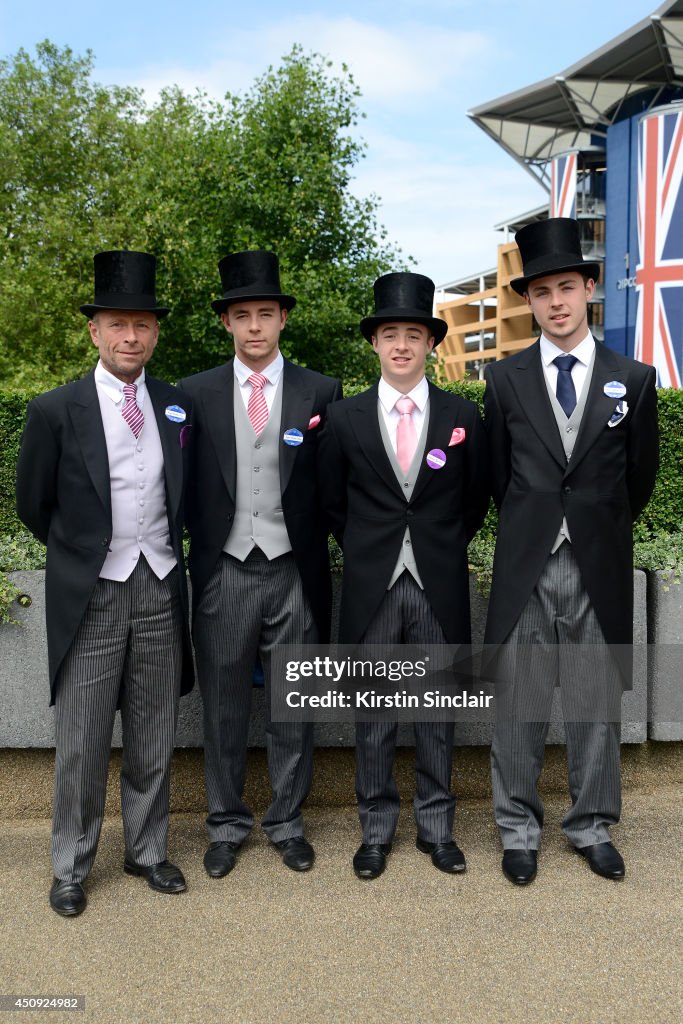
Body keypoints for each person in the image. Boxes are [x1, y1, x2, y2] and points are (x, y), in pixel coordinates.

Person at [16, 250, 195, 916]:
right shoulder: (54, 410)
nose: (130, 337)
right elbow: (34, 505)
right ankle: (70, 866)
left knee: (153, 735)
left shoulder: (177, 408)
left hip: (159, 588)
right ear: (94, 331)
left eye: (142, 325)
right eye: (117, 324)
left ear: (154, 333)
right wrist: (85, 555)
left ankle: (147, 851)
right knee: (83, 743)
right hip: (91, 593)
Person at [483, 218, 659, 885]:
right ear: (527, 301)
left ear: (588, 289)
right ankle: (517, 832)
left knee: (594, 704)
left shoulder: (632, 379)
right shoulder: (503, 381)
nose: (555, 302)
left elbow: (635, 477)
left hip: (596, 564)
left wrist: (592, 527)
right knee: (518, 706)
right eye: (540, 292)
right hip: (525, 564)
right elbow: (496, 477)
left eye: (566, 287)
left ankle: (590, 827)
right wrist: (537, 525)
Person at [318, 272, 489, 879]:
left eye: (412, 334)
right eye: (389, 333)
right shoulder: (344, 419)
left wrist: (437, 547)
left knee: (439, 708)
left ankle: (437, 827)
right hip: (373, 585)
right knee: (374, 712)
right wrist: (374, 549)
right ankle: (375, 828)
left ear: (429, 343)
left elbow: (474, 500)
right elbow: (332, 504)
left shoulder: (464, 414)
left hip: (438, 582)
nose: (400, 345)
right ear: (374, 343)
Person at [179, 250, 342, 877]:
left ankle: (287, 821)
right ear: (226, 322)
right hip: (223, 570)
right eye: (242, 315)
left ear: (281, 320)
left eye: (265, 314)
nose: (254, 326)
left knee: (292, 705)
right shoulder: (192, 395)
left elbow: (334, 488)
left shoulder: (319, 391)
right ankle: (224, 824)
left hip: (294, 569)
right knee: (221, 707)